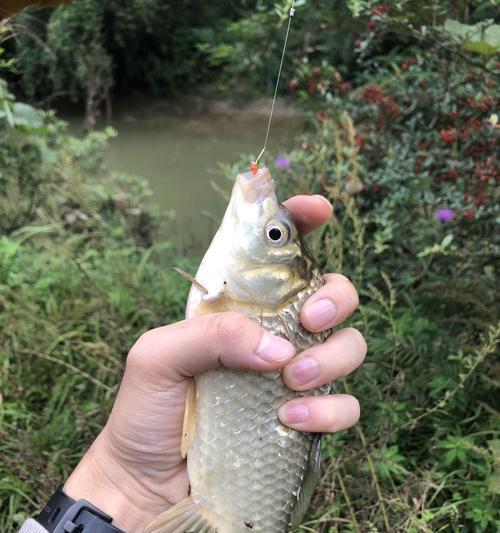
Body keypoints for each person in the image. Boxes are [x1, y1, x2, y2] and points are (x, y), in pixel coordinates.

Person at [19, 195, 366, 533]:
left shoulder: (234, 296)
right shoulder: (233, 297)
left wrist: (124, 484)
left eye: (274, 235)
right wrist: (125, 480)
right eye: (275, 234)